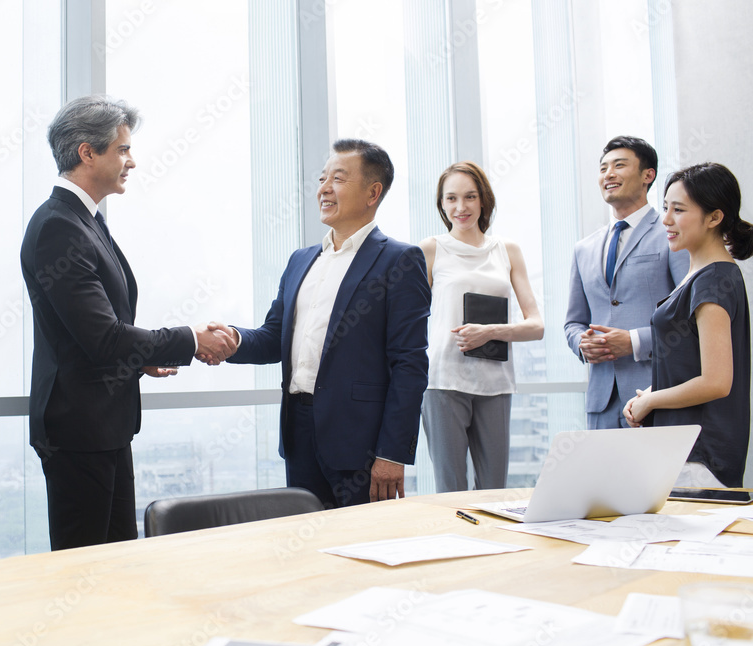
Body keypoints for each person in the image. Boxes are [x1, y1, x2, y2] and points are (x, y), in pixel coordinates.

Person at [21, 95, 236, 550]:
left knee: (119, 558)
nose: (131, 162)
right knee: (88, 568)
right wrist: (190, 340)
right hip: (78, 432)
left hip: (103, 426)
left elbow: (92, 332)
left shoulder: (84, 220)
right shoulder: (60, 226)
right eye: (122, 150)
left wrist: (137, 361)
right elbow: (102, 336)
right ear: (86, 152)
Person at [221, 139, 430, 507]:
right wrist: (232, 339)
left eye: (338, 178)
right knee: (308, 545)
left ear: (372, 192)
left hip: (361, 442)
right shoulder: (301, 260)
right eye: (322, 178)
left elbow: (409, 365)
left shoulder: (399, 260)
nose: (323, 188)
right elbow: (274, 337)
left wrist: (392, 453)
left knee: (361, 549)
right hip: (299, 432)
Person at [624, 163, 752, 489]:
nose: (666, 219)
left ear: (714, 217)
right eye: (666, 207)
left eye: (678, 210)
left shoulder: (713, 280)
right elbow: (693, 365)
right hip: (681, 448)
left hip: (699, 455)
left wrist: (651, 402)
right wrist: (650, 395)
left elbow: (716, 382)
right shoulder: (701, 276)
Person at [418, 162, 543, 493]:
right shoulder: (431, 249)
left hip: (495, 383)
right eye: (452, 199)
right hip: (443, 381)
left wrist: (489, 332)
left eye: (470, 197)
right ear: (442, 205)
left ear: (483, 200)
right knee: (451, 491)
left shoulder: (507, 250)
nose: (461, 207)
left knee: (494, 490)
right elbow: (408, 321)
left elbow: (537, 326)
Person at [565, 136, 689, 429]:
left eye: (619, 165)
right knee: (605, 477)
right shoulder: (584, 248)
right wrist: (582, 344)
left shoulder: (671, 234)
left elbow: (689, 320)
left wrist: (633, 342)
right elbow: (573, 322)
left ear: (649, 175)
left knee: (657, 477)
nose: (608, 174)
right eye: (603, 168)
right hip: (601, 403)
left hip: (655, 394)